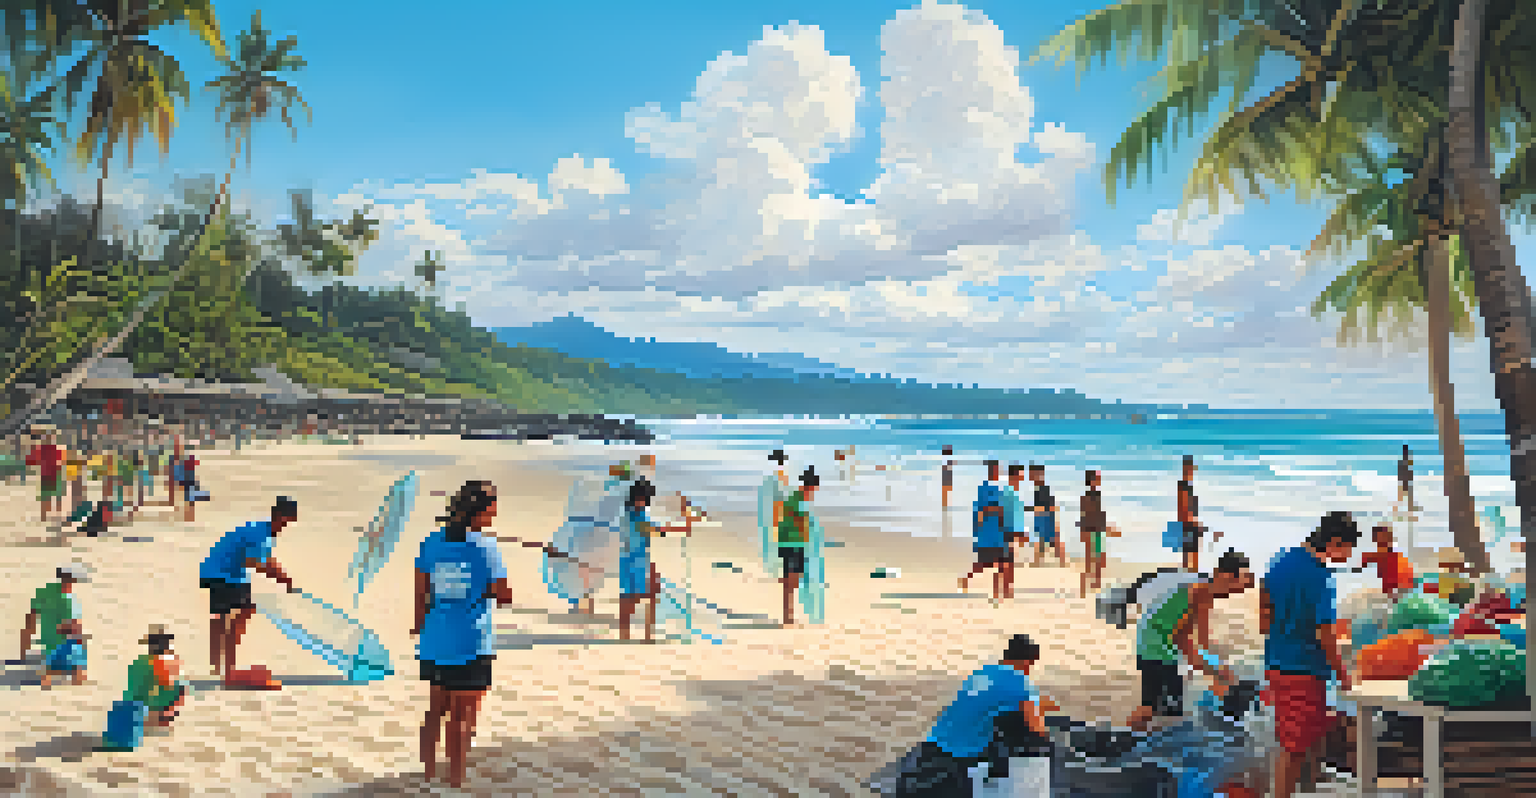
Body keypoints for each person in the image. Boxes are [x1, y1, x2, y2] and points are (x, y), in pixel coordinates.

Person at [413, 480, 511, 788]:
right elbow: (504, 594)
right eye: (493, 504)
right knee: (463, 718)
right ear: (482, 510)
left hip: (434, 639)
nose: (496, 511)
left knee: (435, 711)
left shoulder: (431, 542)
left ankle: (428, 774)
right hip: (470, 642)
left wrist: (420, 627)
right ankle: (455, 779)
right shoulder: (487, 547)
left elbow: (421, 594)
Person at [1261, 511, 1360, 798]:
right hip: (1302, 669)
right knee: (1293, 749)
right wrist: (1343, 676)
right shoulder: (1321, 576)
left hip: (1277, 661)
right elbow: (1325, 634)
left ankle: (1309, 790)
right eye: (1348, 548)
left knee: (1309, 738)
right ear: (1335, 542)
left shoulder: (1281, 560)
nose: (1348, 556)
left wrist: (1285, 629)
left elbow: (1264, 610)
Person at [897, 634, 1058, 796]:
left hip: (935, 740)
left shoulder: (982, 672)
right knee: (1042, 744)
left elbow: (990, 699)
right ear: (1027, 663)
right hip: (962, 754)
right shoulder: (1021, 683)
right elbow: (1038, 729)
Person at [1125, 549, 1255, 731]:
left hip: (1152, 644)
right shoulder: (1200, 592)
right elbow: (1182, 639)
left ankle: (1130, 736)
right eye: (1235, 586)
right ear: (1224, 576)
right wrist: (1215, 671)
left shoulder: (1205, 590)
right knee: (1163, 712)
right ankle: (1131, 737)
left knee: (1154, 705)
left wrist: (1219, 670)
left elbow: (1202, 641)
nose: (1234, 592)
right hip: (1158, 650)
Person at [199, 496, 301, 687]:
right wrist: (279, 578)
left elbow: (267, 561)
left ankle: (218, 665)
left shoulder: (262, 530)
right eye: (287, 520)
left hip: (215, 570)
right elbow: (252, 562)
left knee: (222, 617)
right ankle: (228, 672)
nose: (286, 526)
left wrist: (285, 580)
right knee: (242, 614)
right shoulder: (261, 534)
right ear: (279, 516)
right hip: (225, 574)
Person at [617, 477, 695, 641]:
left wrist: (682, 524)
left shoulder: (627, 514)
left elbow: (655, 528)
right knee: (644, 596)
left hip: (626, 560)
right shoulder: (637, 517)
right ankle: (646, 636)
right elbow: (658, 529)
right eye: (646, 500)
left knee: (629, 598)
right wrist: (684, 525)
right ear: (640, 499)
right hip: (637, 562)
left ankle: (627, 636)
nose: (647, 503)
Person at [17, 563, 89, 671]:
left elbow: (30, 619)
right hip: (60, 648)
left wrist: (24, 651)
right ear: (72, 581)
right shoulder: (68, 601)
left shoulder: (44, 591)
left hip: (47, 644)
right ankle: (76, 671)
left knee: (74, 635)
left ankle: (55, 668)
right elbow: (70, 628)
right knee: (80, 638)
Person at [958, 460, 1011, 604]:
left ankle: (996, 594)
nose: (997, 472)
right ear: (990, 471)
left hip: (999, 533)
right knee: (984, 564)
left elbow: (1002, 511)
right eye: (994, 469)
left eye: (998, 469)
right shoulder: (985, 488)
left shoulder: (1000, 489)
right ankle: (966, 578)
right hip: (988, 534)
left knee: (1002, 564)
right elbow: (981, 511)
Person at [778, 467, 820, 628]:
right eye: (814, 488)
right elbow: (793, 520)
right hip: (791, 543)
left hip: (795, 543)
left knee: (794, 580)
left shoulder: (799, 499)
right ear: (809, 486)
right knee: (791, 581)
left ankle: (788, 613)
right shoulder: (798, 500)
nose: (814, 492)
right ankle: (787, 615)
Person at [1178, 455, 1222, 572]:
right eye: (1190, 469)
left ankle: (1191, 572)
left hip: (1189, 522)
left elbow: (1187, 507)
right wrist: (1191, 522)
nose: (1191, 472)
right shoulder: (1184, 486)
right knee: (1189, 553)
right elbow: (1183, 507)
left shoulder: (1188, 485)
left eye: (1192, 469)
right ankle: (1190, 573)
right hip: (1187, 523)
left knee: (1192, 551)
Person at [1079, 470, 1117, 598]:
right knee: (1092, 559)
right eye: (1097, 478)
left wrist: (1106, 527)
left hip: (1096, 529)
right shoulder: (1087, 497)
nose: (1099, 480)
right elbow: (1086, 515)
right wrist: (1083, 531)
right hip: (1091, 529)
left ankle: (1095, 584)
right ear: (1092, 480)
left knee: (1098, 559)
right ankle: (1086, 586)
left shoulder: (1096, 495)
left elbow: (1098, 514)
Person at [1360, 525, 1416, 601]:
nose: (1383, 541)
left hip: (1399, 592)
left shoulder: (1395, 558)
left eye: (1386, 538)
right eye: (1380, 538)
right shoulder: (1377, 556)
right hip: (1392, 593)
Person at [1028, 465, 1069, 568]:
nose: (1030, 476)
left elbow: (1049, 506)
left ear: (1039, 475)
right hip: (1043, 518)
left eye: (1032, 474)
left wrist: (1029, 509)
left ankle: (1061, 561)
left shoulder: (1043, 489)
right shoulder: (1039, 489)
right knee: (1043, 540)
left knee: (1051, 541)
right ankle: (1040, 561)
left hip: (1045, 518)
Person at [25, 429, 65, 522]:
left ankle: (46, 515)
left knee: (49, 495)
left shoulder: (44, 448)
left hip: (49, 474)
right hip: (53, 473)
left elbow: (31, 461)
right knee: (54, 495)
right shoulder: (50, 448)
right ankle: (51, 515)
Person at [42, 618, 89, 688]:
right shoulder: (69, 643)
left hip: (64, 665)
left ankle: (78, 675)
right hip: (64, 665)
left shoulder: (72, 643)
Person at [1002, 464, 1031, 572]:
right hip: (1008, 532)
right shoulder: (1009, 493)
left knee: (1009, 564)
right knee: (1007, 565)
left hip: (1012, 532)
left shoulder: (1015, 492)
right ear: (1013, 476)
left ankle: (1005, 588)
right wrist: (1018, 532)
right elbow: (1008, 515)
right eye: (1020, 475)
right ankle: (1004, 587)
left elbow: (1017, 514)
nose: (1022, 477)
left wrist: (1022, 530)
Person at [1397, 445, 1417, 514]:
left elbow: (1409, 471)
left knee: (1406, 494)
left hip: (1405, 479)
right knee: (1403, 494)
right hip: (1404, 479)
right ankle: (1405, 508)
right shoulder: (1404, 462)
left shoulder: (1406, 461)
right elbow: (1405, 471)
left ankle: (1408, 508)